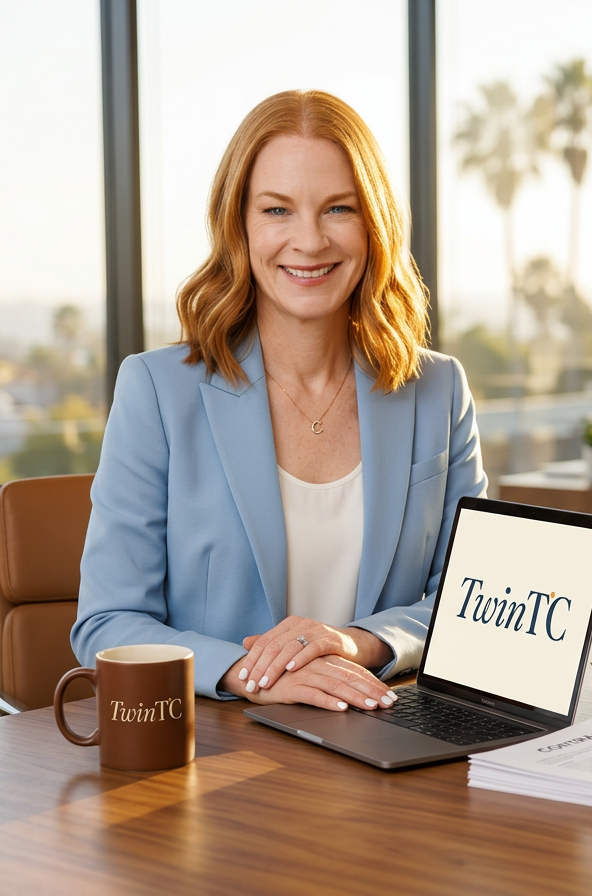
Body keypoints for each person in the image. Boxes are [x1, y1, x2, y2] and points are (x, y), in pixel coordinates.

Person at [72, 90, 487, 712]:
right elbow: (108, 622)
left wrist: (356, 645)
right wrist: (252, 671)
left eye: (338, 208)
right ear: (239, 224)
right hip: (216, 758)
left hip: (390, 741)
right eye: (277, 210)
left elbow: (474, 603)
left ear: (373, 223)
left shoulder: (439, 390)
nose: (310, 240)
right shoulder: (157, 391)